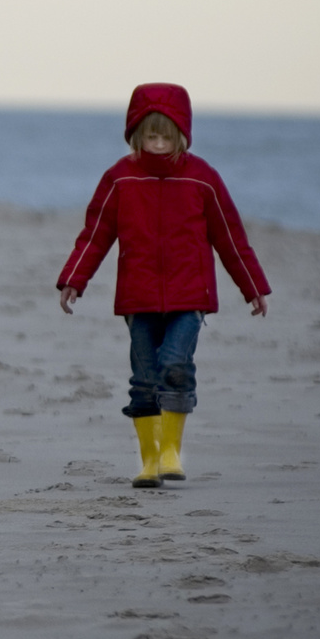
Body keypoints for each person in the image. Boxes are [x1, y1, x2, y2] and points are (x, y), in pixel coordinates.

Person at [56, 83, 271, 489]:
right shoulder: (119, 178)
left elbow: (230, 237)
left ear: (181, 136)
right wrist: (73, 280)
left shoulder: (202, 179)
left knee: (175, 364)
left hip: (190, 296)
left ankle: (172, 450)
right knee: (143, 378)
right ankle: (150, 461)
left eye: (165, 137)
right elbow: (96, 234)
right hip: (138, 298)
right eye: (150, 136)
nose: (157, 144)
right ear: (136, 134)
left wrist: (253, 287)